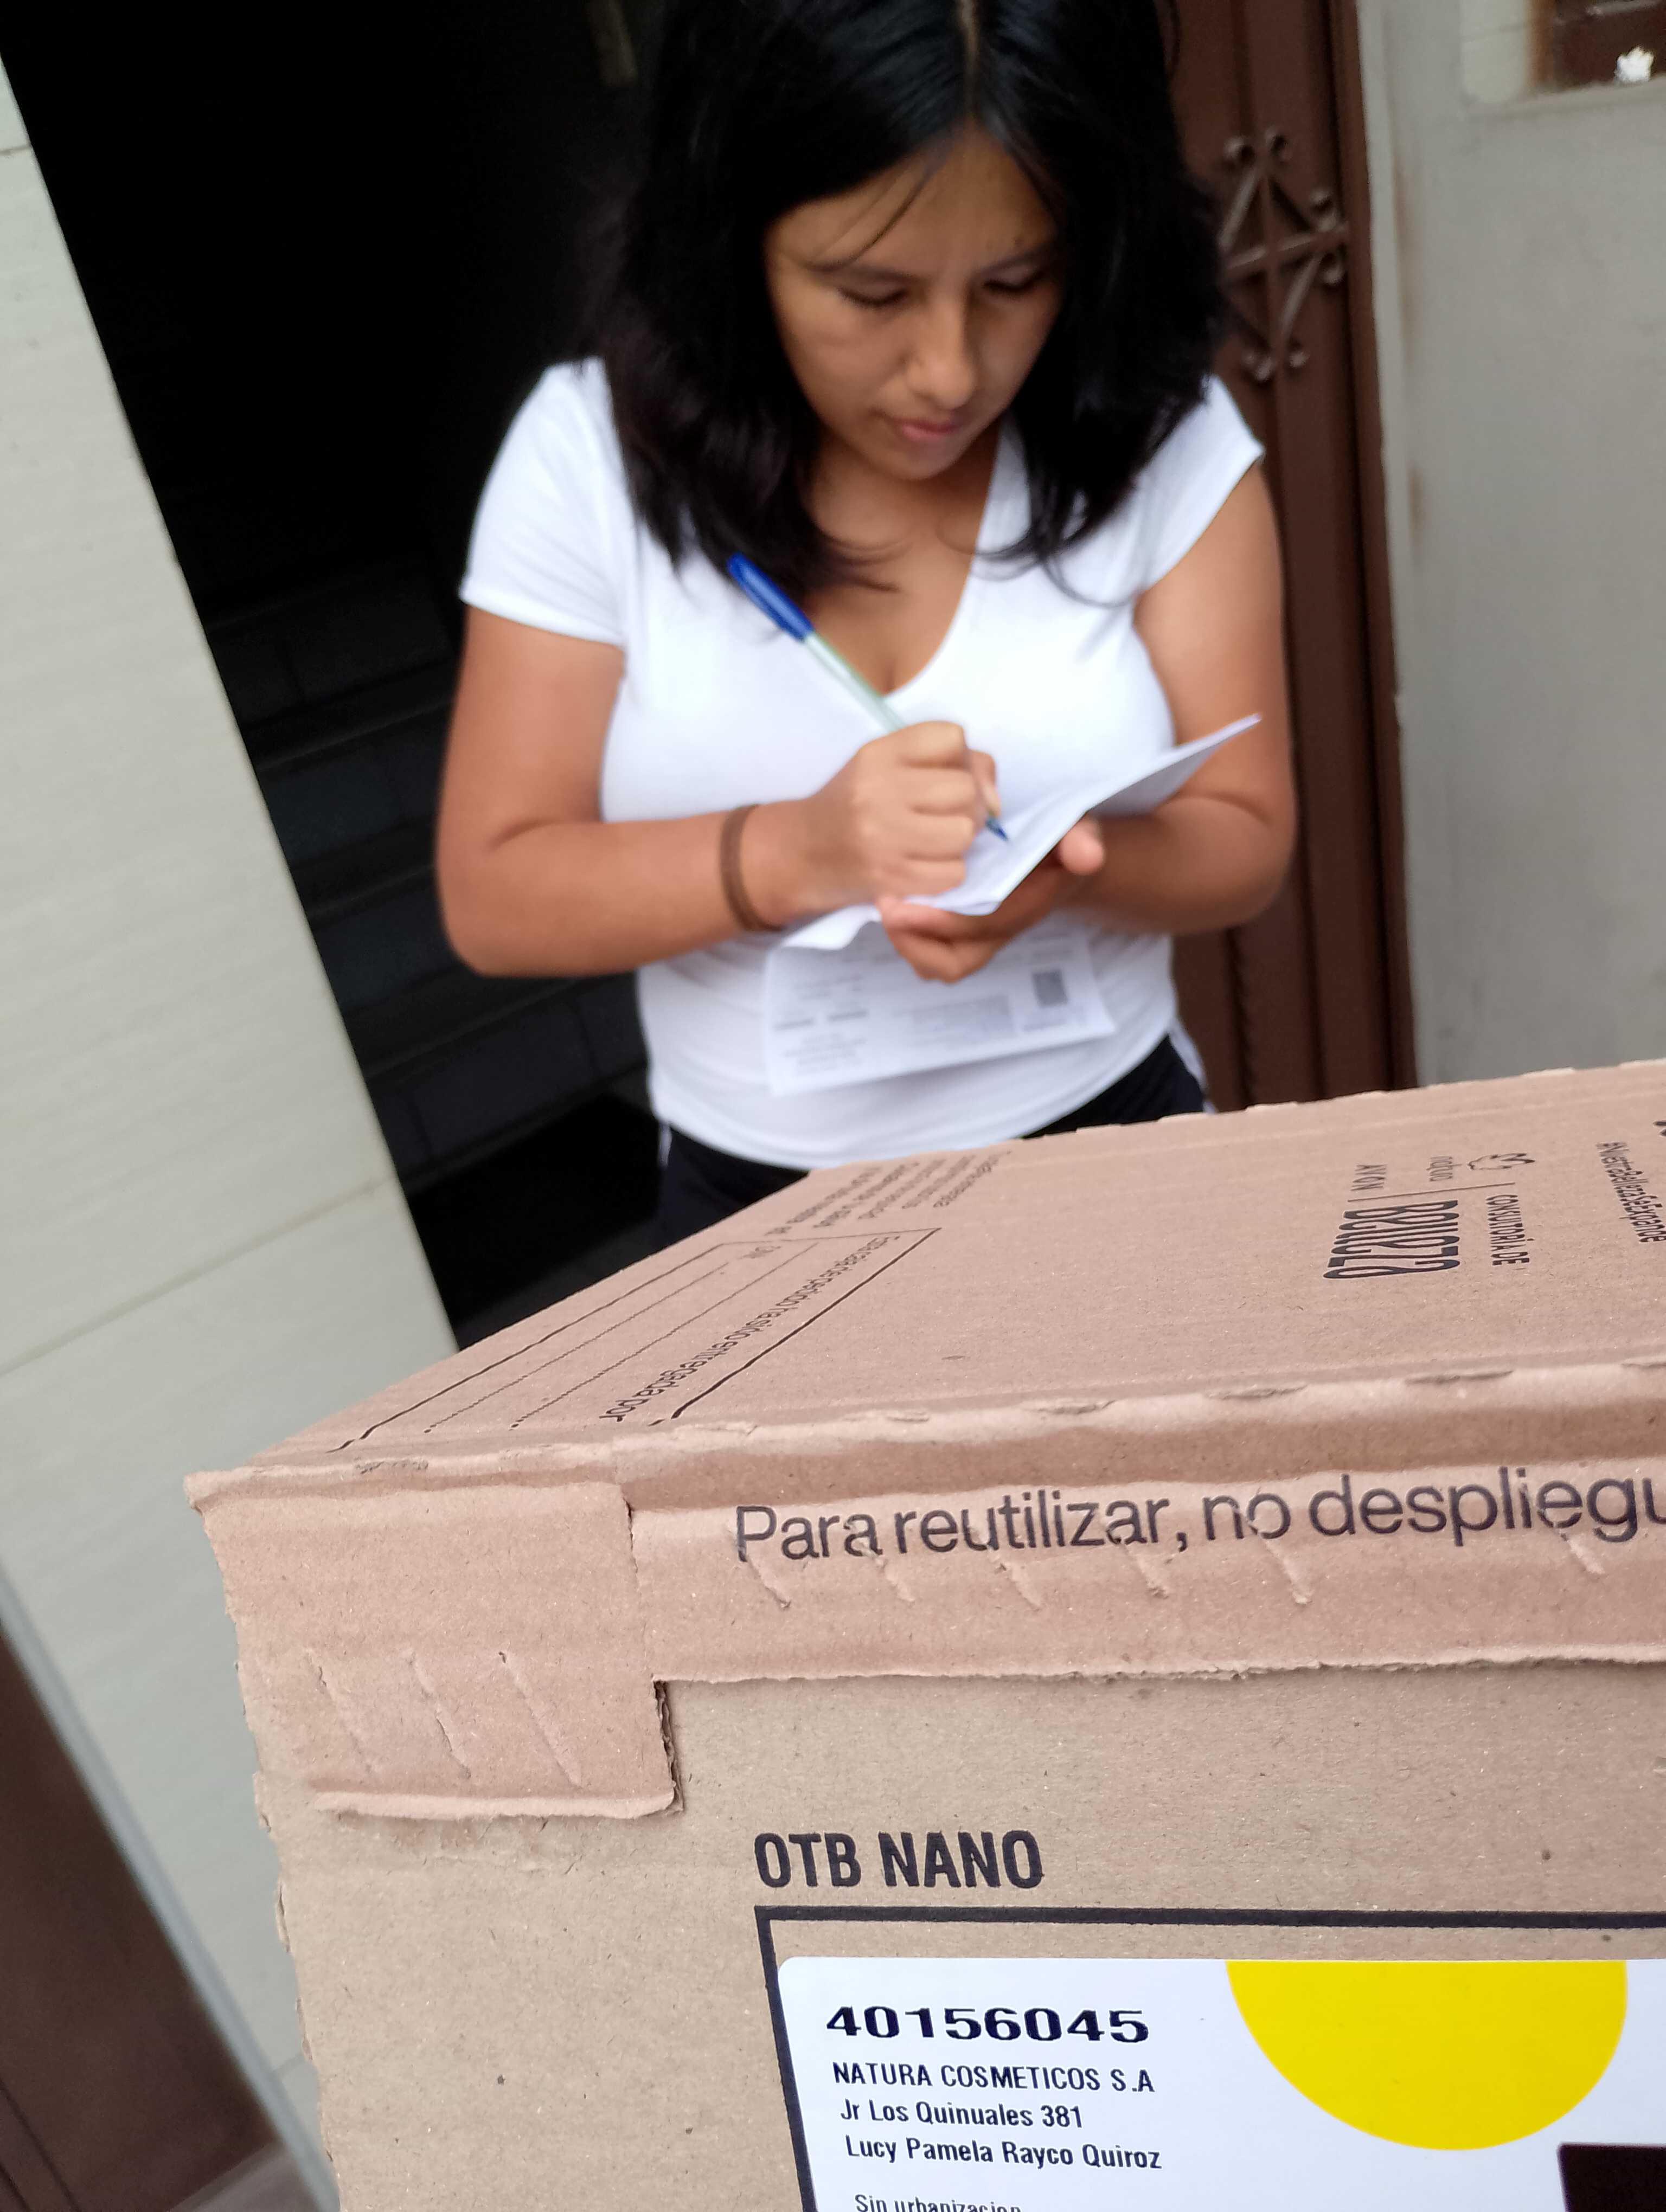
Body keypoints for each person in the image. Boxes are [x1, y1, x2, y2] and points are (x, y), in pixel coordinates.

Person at [438, 0, 1295, 1247]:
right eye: (871, 292)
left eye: (1015, 281)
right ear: (734, 237)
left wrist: (1064, 873)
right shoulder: (590, 458)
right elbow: (495, 894)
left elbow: (1249, 834)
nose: (949, 371)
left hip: (1115, 1137)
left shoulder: (1157, 435)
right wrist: (801, 852)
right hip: (760, 1202)